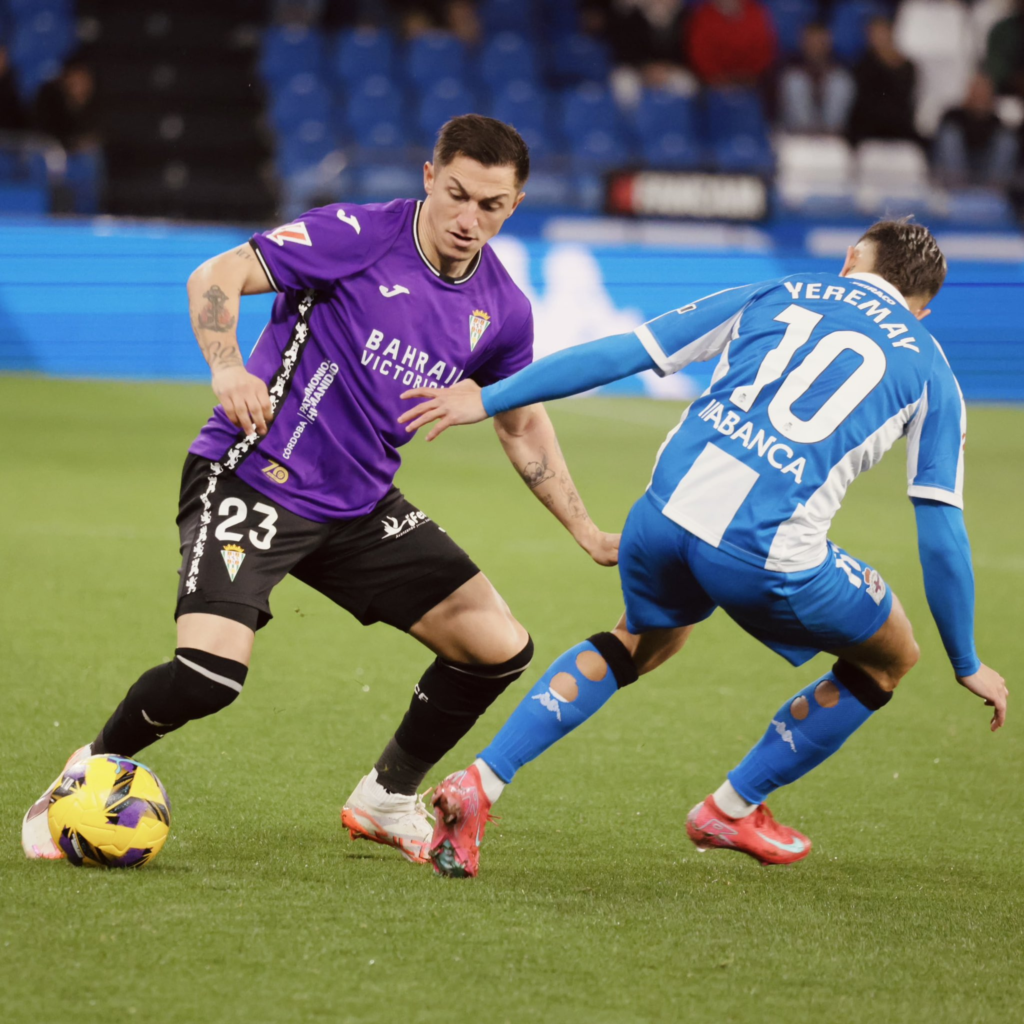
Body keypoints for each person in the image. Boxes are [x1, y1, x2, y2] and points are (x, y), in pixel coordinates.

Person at [22, 114, 618, 865]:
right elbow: (215, 275)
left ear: (516, 204)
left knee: (497, 647)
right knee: (209, 677)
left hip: (361, 504)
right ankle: (86, 773)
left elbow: (521, 423)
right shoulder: (357, 234)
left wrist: (588, 531)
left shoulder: (503, 308)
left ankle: (386, 797)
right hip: (254, 475)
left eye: (491, 206)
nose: (470, 220)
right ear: (429, 178)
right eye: (457, 195)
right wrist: (228, 367)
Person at [398, 219, 1009, 878]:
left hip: (660, 517)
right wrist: (967, 659)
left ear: (854, 257)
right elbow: (941, 527)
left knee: (644, 638)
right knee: (892, 654)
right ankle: (734, 806)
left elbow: (621, 352)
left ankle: (481, 784)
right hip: (762, 554)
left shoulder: (777, 292)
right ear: (923, 306)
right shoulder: (931, 369)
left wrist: (487, 397)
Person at [933, 72, 1019, 186]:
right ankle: (956, 186)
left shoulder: (995, 120)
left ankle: (994, 190)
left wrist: (982, 112)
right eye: (976, 90)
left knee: (1007, 140)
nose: (979, 95)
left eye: (983, 91)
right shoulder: (952, 115)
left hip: (986, 166)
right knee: (949, 135)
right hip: (956, 167)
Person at [846, 17, 920, 147]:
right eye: (872, 34)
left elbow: (905, 98)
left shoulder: (908, 66)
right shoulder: (863, 64)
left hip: (898, 126)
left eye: (880, 32)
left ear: (890, 33)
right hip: (869, 127)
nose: (876, 38)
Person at [777, 22, 854, 135]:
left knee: (840, 81)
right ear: (803, 42)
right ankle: (805, 135)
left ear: (828, 42)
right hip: (797, 131)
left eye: (820, 41)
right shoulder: (790, 63)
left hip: (831, 130)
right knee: (794, 81)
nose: (815, 46)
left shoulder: (839, 63)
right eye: (811, 41)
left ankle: (831, 135)